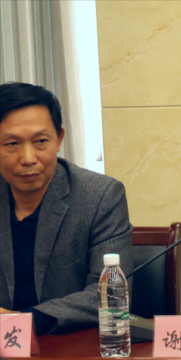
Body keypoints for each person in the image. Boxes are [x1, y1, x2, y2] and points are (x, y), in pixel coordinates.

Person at [0, 82, 133, 334]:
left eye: (40, 141)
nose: (28, 158)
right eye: (12, 144)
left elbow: (111, 294)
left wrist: (22, 321)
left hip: (68, 344)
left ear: (59, 139)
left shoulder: (100, 196)